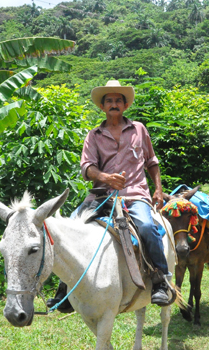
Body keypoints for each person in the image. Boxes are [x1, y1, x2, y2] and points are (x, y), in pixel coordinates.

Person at [47, 80, 173, 312]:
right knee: (70, 228)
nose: (113, 104)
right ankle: (64, 288)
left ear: (125, 105)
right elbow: (87, 168)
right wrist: (106, 178)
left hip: (135, 195)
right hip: (100, 196)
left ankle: (161, 281)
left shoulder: (139, 129)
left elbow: (152, 163)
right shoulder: (93, 135)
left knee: (146, 226)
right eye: (109, 101)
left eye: (118, 100)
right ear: (102, 107)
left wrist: (157, 189)